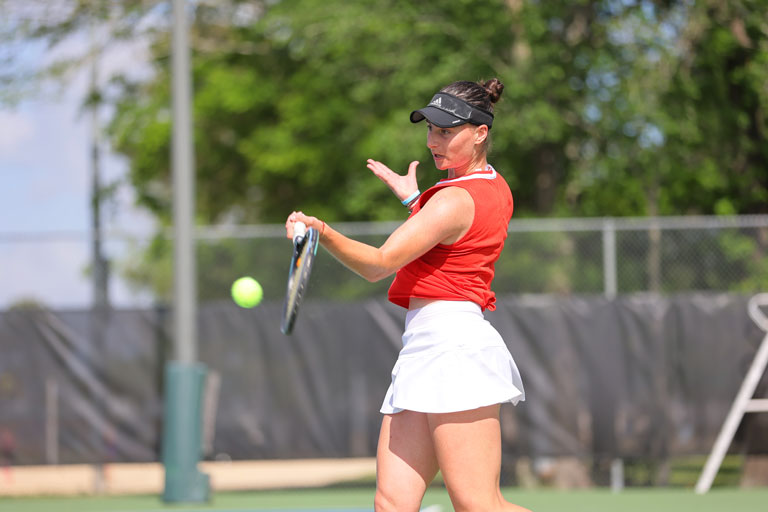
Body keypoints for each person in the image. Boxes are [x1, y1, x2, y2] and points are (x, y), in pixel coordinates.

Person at [285, 78, 530, 512]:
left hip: (454, 349)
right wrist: (416, 199)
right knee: (392, 503)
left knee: (478, 504)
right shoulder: (491, 186)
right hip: (425, 346)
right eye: (431, 129)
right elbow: (456, 236)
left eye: (447, 132)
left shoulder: (451, 201)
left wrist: (320, 231)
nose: (434, 141)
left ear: (481, 133)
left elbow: (379, 264)